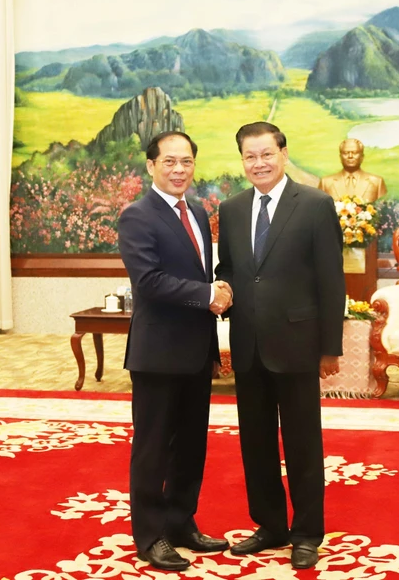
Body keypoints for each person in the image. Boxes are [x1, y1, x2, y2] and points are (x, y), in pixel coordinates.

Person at [215, 122, 346, 569]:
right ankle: (270, 525)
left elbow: (331, 280)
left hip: (297, 344)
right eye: (250, 156)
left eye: (266, 154)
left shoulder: (314, 205)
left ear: (283, 154)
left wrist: (330, 348)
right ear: (242, 161)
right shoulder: (231, 209)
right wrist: (220, 292)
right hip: (248, 345)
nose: (259, 164)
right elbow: (231, 269)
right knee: (255, 442)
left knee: (303, 442)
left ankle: (307, 532)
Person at [117, 131, 234, 572]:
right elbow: (148, 282)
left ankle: (182, 524)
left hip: (195, 349)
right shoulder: (137, 216)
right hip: (158, 352)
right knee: (153, 448)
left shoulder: (198, 213)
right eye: (169, 162)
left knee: (190, 445)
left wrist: (220, 289)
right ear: (150, 166)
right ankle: (150, 536)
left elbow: (199, 270)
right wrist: (209, 293)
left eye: (186, 161)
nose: (179, 169)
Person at [317, 138, 388, 202]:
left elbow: (382, 211)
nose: (350, 156)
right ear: (340, 157)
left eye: (355, 153)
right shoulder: (326, 183)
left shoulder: (377, 182)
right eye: (345, 153)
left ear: (362, 157)